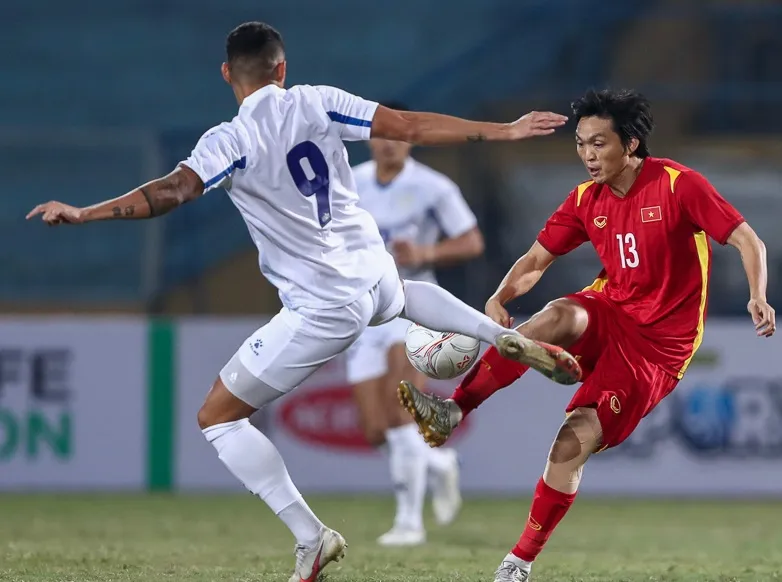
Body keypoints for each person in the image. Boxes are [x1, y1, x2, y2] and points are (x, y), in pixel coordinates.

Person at [26, 21, 581, 582]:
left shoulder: (229, 140)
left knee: (218, 419)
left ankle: (312, 538)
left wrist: (87, 212)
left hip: (324, 305)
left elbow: (175, 191)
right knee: (405, 296)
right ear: (282, 69)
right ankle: (499, 335)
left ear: (227, 75)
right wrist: (505, 131)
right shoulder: (319, 102)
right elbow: (409, 125)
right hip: (376, 272)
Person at [397, 88, 776, 581]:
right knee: (558, 314)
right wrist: (500, 298)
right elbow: (535, 261)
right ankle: (454, 409)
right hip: (609, 308)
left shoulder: (680, 186)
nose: (588, 156)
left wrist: (757, 295)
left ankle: (518, 562)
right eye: (581, 144)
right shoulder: (584, 200)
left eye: (599, 143)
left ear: (632, 144)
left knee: (571, 444)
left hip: (658, 349)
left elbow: (748, 239)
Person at [347, 102, 484, 546]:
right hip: (363, 312)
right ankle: (441, 465)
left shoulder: (432, 187)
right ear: (369, 137)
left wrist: (425, 255)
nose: (389, 142)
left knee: (397, 405)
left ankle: (409, 523)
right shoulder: (352, 182)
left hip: (412, 307)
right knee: (374, 430)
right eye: (381, 134)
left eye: (397, 135)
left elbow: (471, 240)